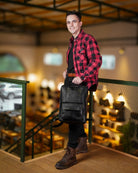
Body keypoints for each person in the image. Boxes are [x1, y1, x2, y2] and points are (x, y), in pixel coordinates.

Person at [55, 10, 102, 169]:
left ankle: (71, 153)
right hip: (70, 80)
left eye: (74, 21)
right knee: (71, 114)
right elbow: (74, 64)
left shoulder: (88, 39)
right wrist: (66, 72)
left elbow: (96, 61)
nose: (71, 25)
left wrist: (82, 76)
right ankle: (82, 142)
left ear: (80, 23)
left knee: (74, 118)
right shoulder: (71, 42)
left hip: (81, 83)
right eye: (68, 22)